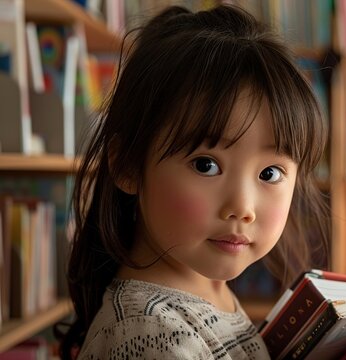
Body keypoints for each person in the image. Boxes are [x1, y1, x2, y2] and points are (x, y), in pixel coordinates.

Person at [57, 4, 329, 359]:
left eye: (269, 174)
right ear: (127, 165)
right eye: (206, 165)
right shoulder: (153, 334)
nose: (242, 207)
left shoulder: (207, 287)